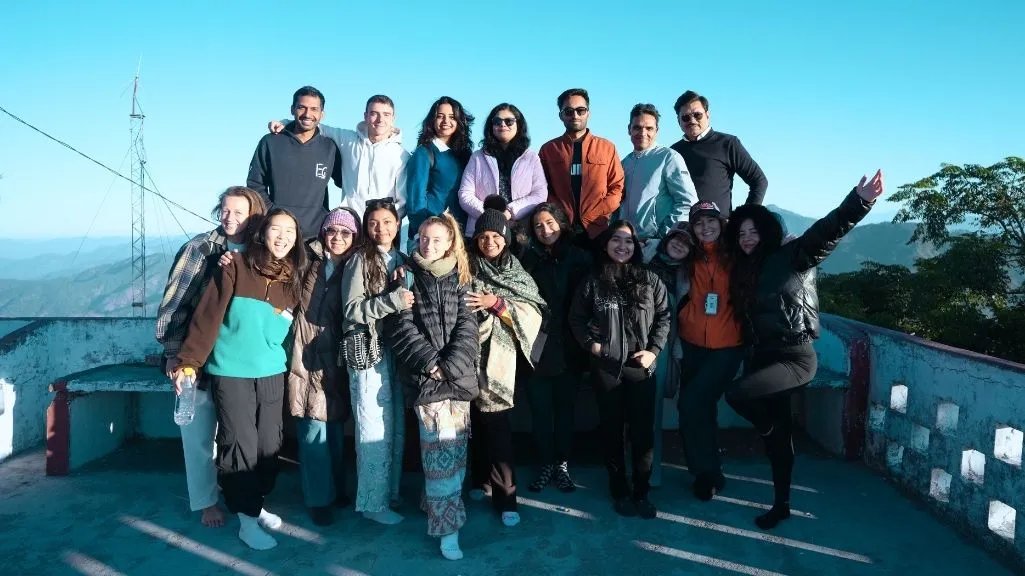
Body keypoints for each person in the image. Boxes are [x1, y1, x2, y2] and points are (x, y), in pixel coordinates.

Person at [724, 171, 884, 530]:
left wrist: (859, 201)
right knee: (779, 434)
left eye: (753, 231)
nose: (747, 238)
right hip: (762, 355)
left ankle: (767, 434)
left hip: (796, 357)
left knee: (737, 395)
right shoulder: (743, 269)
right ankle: (781, 504)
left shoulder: (792, 255)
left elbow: (827, 233)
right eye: (741, 233)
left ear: (767, 231)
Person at [173, 208, 307, 550]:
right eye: (277, 229)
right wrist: (189, 362)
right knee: (240, 444)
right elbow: (208, 316)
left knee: (269, 444)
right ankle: (246, 521)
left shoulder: (292, 275)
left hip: (271, 369)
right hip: (231, 371)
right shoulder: (234, 265)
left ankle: (254, 503)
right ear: (262, 233)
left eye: (290, 232)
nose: (283, 237)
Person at [155, 186, 267, 529]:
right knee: (200, 436)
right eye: (225, 210)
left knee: (239, 436)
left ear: (255, 215)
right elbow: (173, 306)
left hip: (238, 360)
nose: (230, 218)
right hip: (196, 359)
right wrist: (175, 356)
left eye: (239, 212)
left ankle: (243, 494)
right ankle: (205, 502)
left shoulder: (259, 252)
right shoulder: (200, 249)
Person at [384, 212, 479, 561]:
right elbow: (400, 327)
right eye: (424, 238)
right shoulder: (406, 277)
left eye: (437, 239)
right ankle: (447, 529)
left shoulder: (462, 278)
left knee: (454, 456)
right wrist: (431, 363)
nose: (429, 244)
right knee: (440, 457)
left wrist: (451, 365)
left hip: (459, 382)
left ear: (451, 242)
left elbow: (469, 327)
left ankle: (434, 504)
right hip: (427, 383)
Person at [569, 220, 670, 518]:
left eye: (628, 241)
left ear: (636, 246)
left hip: (641, 367)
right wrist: (592, 346)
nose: (622, 246)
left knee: (642, 433)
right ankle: (618, 488)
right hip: (607, 368)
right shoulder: (593, 280)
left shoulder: (650, 279)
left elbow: (664, 316)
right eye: (616, 240)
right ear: (606, 245)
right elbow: (575, 318)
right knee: (611, 430)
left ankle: (642, 490)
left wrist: (654, 352)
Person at [465, 204, 547, 527]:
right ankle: (478, 480)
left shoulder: (516, 271)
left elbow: (534, 310)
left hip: (500, 362)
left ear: (506, 237)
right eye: (483, 236)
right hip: (467, 356)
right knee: (474, 424)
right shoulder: (466, 268)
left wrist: (496, 303)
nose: (489, 242)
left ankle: (506, 497)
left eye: (495, 236)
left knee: (497, 427)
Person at [288, 207, 362, 526]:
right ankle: (319, 499)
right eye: (332, 231)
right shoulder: (306, 261)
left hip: (338, 356)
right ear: (323, 233)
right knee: (311, 426)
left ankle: (335, 490)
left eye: (346, 233)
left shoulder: (357, 267)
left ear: (355, 237)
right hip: (305, 352)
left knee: (332, 427)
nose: (338, 238)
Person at [340, 198, 412, 525]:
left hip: (397, 353)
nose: (380, 228)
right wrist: (391, 301)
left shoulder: (404, 259)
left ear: (398, 225)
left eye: (387, 221)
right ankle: (371, 503)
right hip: (369, 355)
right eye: (373, 223)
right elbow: (352, 309)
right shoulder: (359, 261)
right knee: (372, 428)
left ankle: (389, 494)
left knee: (393, 428)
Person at [519, 203, 592, 493]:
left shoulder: (580, 258)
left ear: (561, 223)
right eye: (538, 226)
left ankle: (561, 463)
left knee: (565, 410)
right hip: (538, 346)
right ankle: (544, 463)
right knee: (539, 411)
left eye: (550, 223)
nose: (545, 230)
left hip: (571, 346)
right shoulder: (526, 259)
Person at [677, 201, 744, 501]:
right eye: (699, 222)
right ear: (691, 227)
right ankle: (706, 471)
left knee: (691, 404)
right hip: (692, 343)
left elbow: (764, 248)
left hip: (728, 346)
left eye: (711, 221)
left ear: (721, 223)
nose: (706, 227)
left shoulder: (736, 255)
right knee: (700, 408)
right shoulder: (687, 255)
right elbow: (657, 254)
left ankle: (707, 473)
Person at [269, 94, 410, 221]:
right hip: (350, 222)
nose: (380, 120)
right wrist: (285, 122)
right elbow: (315, 125)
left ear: (393, 118)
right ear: (366, 116)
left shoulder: (401, 155)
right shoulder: (347, 139)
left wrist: (390, 222)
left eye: (386, 114)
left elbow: (402, 200)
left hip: (382, 227)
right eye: (374, 113)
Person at [247, 86, 343, 236]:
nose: (307, 114)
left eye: (314, 109)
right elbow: (255, 184)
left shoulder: (329, 147)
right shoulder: (271, 142)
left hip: (315, 236)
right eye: (301, 107)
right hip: (277, 233)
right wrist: (274, 214)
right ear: (292, 110)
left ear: (321, 114)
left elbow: (347, 181)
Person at [539, 88, 624, 247]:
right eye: (568, 111)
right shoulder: (548, 149)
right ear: (561, 115)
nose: (575, 115)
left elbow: (617, 187)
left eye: (580, 110)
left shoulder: (607, 147)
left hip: (597, 229)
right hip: (562, 230)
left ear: (588, 113)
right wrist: (559, 214)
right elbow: (542, 187)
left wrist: (597, 212)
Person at [644, 223, 694, 486]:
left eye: (686, 243)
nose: (679, 245)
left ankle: (651, 472)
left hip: (661, 346)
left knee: (653, 412)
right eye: (677, 238)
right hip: (631, 341)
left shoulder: (686, 276)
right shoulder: (645, 256)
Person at [669, 90, 767, 216]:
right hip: (683, 230)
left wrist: (744, 218)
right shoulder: (673, 152)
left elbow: (759, 180)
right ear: (679, 121)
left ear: (707, 115)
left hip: (719, 230)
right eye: (685, 117)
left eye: (697, 115)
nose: (692, 120)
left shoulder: (727, 143)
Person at [620, 103, 697, 261]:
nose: (643, 133)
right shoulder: (624, 163)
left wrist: (663, 237)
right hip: (627, 246)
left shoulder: (669, 157)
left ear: (657, 131)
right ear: (629, 129)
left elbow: (687, 201)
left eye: (649, 128)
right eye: (637, 127)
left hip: (655, 248)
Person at [458, 103, 547, 237]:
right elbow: (465, 194)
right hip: (483, 231)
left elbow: (539, 194)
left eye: (509, 121)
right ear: (491, 125)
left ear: (519, 125)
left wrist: (510, 212)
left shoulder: (531, 157)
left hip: (520, 231)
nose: (503, 125)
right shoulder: (478, 157)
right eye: (497, 121)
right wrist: (490, 216)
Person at [406, 96, 475, 251]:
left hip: (459, 236)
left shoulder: (464, 155)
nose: (446, 121)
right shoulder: (424, 152)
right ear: (432, 120)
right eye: (440, 116)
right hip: (431, 238)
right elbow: (415, 199)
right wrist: (422, 235)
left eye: (452, 117)